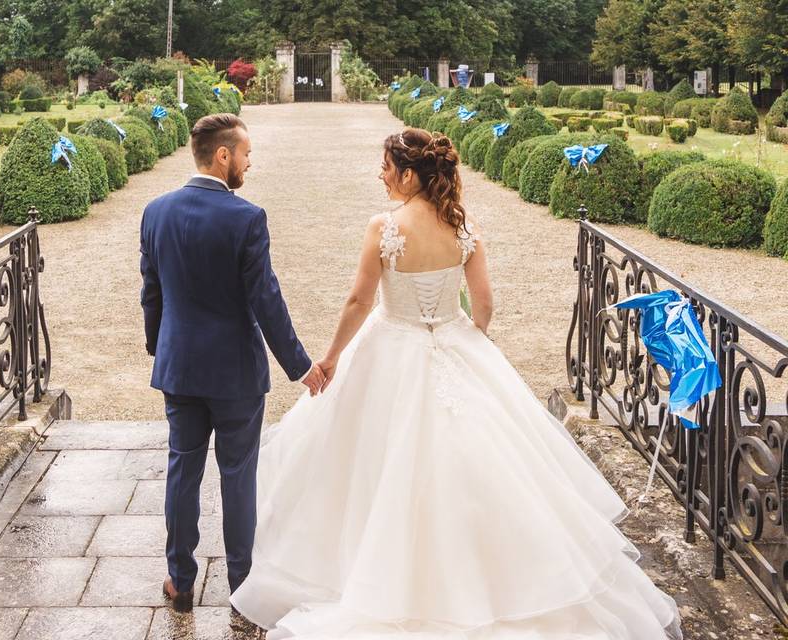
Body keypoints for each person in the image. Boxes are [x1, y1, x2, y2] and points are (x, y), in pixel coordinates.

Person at [229, 127, 683, 640]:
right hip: (453, 342)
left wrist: (331, 358)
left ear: (408, 174)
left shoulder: (385, 227)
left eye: (386, 166)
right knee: (485, 465)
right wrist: (466, 342)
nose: (380, 175)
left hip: (388, 343)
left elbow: (358, 301)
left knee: (366, 462)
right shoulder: (463, 228)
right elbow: (483, 304)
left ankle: (370, 572)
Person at [140, 113, 326, 613]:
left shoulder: (154, 212)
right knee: (238, 476)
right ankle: (242, 589)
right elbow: (266, 299)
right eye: (245, 153)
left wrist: (161, 346)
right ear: (223, 155)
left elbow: (151, 293)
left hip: (179, 368)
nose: (249, 162)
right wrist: (301, 366)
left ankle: (180, 581)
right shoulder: (246, 217)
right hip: (235, 374)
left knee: (182, 470)